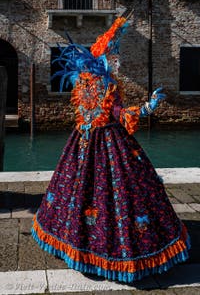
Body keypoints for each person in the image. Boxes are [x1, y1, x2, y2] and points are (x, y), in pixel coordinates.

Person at [31, 16, 190, 283]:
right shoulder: (108, 85)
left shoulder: (82, 82)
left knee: (76, 190)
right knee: (122, 192)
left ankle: (73, 244)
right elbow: (117, 114)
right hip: (109, 143)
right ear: (106, 56)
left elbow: (83, 114)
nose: (118, 58)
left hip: (81, 142)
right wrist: (148, 107)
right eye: (115, 53)